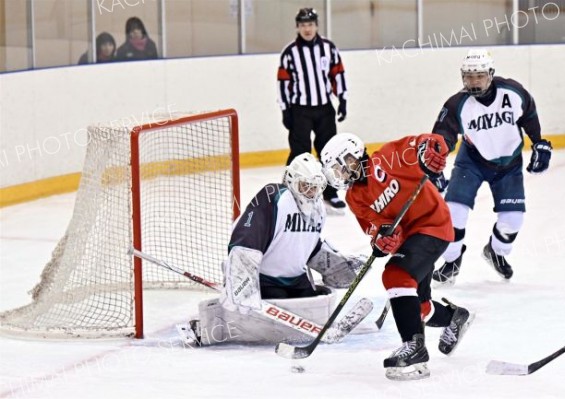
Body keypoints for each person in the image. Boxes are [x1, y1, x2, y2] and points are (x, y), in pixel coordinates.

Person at [320, 133, 474, 381]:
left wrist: (432, 148)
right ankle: (455, 317)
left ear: (354, 155)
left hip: (433, 224)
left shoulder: (389, 157)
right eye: (336, 171)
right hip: (411, 240)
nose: (341, 174)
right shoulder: (354, 197)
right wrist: (382, 240)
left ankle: (414, 348)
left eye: (341, 166)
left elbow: (429, 142)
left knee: (395, 274)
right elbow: (377, 230)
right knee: (419, 308)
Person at [179, 153, 366, 346]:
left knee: (313, 305)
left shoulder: (318, 207)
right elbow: (247, 238)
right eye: (306, 186)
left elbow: (307, 244)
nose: (311, 192)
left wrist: (334, 265)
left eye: (317, 187)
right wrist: (241, 282)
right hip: (264, 280)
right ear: (291, 180)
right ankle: (209, 325)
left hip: (298, 281)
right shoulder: (274, 197)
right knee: (276, 320)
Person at [431, 49, 552, 285]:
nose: (473, 82)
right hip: (471, 161)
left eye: (479, 76)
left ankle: (495, 252)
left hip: (509, 164)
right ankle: (452, 261)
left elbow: (529, 113)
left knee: (513, 220)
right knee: (454, 211)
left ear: (491, 74)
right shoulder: (457, 103)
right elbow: (441, 137)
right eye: (468, 76)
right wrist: (435, 165)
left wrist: (539, 142)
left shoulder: (512, 91)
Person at [277, 8, 348, 214]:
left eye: (310, 24)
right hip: (300, 109)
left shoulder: (328, 48)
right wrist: (285, 109)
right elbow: (283, 82)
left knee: (330, 152)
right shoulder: (290, 52)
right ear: (297, 27)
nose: (307, 29)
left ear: (316, 25)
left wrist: (342, 99)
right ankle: (292, 191)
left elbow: (338, 73)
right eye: (302, 25)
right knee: (299, 152)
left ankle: (331, 192)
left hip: (325, 108)